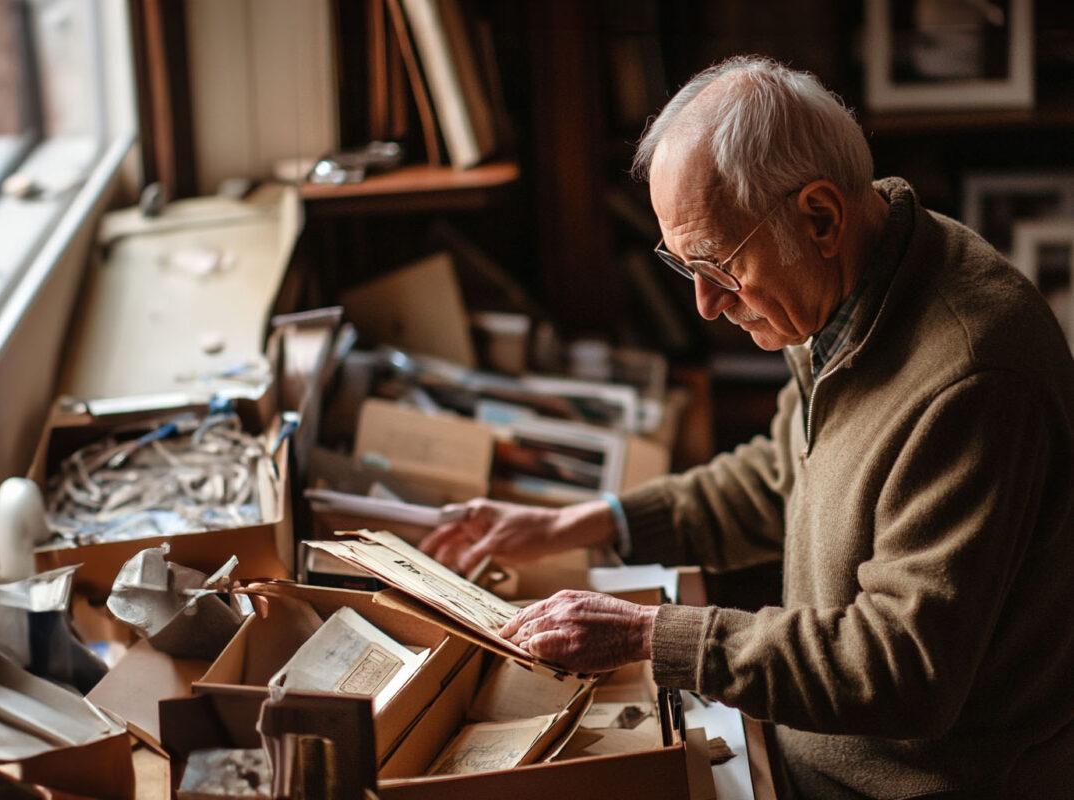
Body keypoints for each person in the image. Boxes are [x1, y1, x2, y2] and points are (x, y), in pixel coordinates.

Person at [420, 55, 1074, 799]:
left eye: (719, 264)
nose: (703, 303)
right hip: (810, 750)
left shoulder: (970, 380)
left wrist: (650, 637)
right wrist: (581, 522)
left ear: (819, 216)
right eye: (682, 264)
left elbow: (902, 669)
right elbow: (783, 475)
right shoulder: (859, 274)